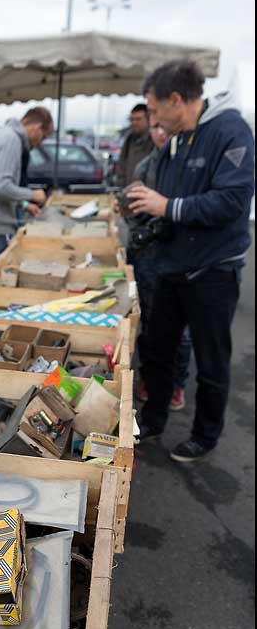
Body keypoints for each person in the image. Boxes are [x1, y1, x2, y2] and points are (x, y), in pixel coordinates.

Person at [127, 59, 254, 462]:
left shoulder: (230, 131)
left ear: (177, 100)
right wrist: (143, 204)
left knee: (211, 357)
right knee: (157, 348)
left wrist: (167, 206)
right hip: (170, 265)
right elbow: (159, 195)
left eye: (155, 107)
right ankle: (153, 418)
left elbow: (231, 201)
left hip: (212, 270)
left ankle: (205, 434)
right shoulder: (177, 140)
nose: (154, 119)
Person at [129, 121, 192, 412]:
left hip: (181, 260)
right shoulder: (145, 167)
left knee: (180, 331)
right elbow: (131, 211)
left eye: (164, 126)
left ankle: (177, 384)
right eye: (155, 127)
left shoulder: (188, 164)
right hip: (148, 257)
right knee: (149, 323)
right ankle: (149, 380)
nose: (160, 132)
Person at [0, 107, 53, 268]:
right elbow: (0, 187)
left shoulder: (1, 134)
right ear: (37, 127)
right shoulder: (11, 140)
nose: (40, 143)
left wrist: (24, 204)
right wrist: (32, 195)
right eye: (43, 137)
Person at [116, 104, 154, 188]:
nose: (134, 123)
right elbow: (121, 166)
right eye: (132, 119)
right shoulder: (129, 140)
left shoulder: (154, 140)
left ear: (148, 119)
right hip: (129, 193)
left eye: (138, 119)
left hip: (147, 194)